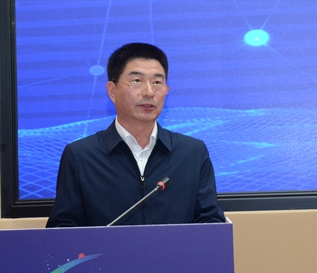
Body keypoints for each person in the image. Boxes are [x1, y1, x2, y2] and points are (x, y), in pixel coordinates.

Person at [46, 42, 225, 227]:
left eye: (157, 82)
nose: (149, 92)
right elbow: (63, 231)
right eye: (137, 81)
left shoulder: (192, 153)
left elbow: (211, 223)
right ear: (112, 90)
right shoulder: (81, 156)